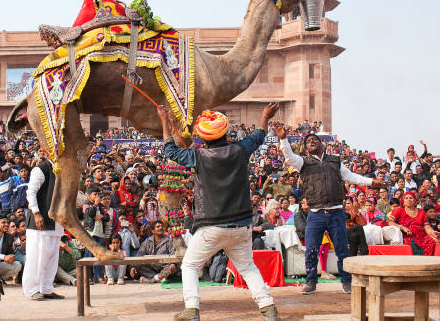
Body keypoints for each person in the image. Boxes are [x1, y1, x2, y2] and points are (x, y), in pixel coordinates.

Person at [161, 103, 280, 321]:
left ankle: (192, 309)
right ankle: (268, 308)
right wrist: (264, 116)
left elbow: (170, 151)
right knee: (248, 267)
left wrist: (164, 121)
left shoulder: (199, 156)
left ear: (204, 138)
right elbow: (259, 136)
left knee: (189, 265)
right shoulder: (240, 150)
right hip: (242, 225)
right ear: (224, 132)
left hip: (211, 226)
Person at [277, 126, 386, 295]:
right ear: (306, 148)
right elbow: (289, 156)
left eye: (315, 139)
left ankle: (346, 281)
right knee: (312, 249)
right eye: (308, 141)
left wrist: (372, 182)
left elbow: (351, 177)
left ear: (322, 145)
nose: (311, 141)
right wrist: (283, 139)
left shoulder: (335, 161)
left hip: (336, 212)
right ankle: (311, 281)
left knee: (343, 249)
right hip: (316, 213)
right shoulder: (303, 162)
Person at [22, 158, 64, 300]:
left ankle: (46, 288)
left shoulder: (63, 168)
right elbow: (31, 192)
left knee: (51, 258)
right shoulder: (41, 169)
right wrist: (36, 213)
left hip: (56, 221)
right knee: (36, 257)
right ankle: (32, 289)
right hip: (40, 221)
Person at [388, 190, 439, 255]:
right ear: (403, 202)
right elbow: (389, 222)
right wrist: (402, 228)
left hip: (422, 236)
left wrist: (433, 232)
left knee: (435, 240)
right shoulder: (399, 210)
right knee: (410, 243)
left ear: (415, 201)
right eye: (406, 198)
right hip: (407, 236)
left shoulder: (421, 212)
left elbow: (427, 227)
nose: (409, 200)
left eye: (411, 198)